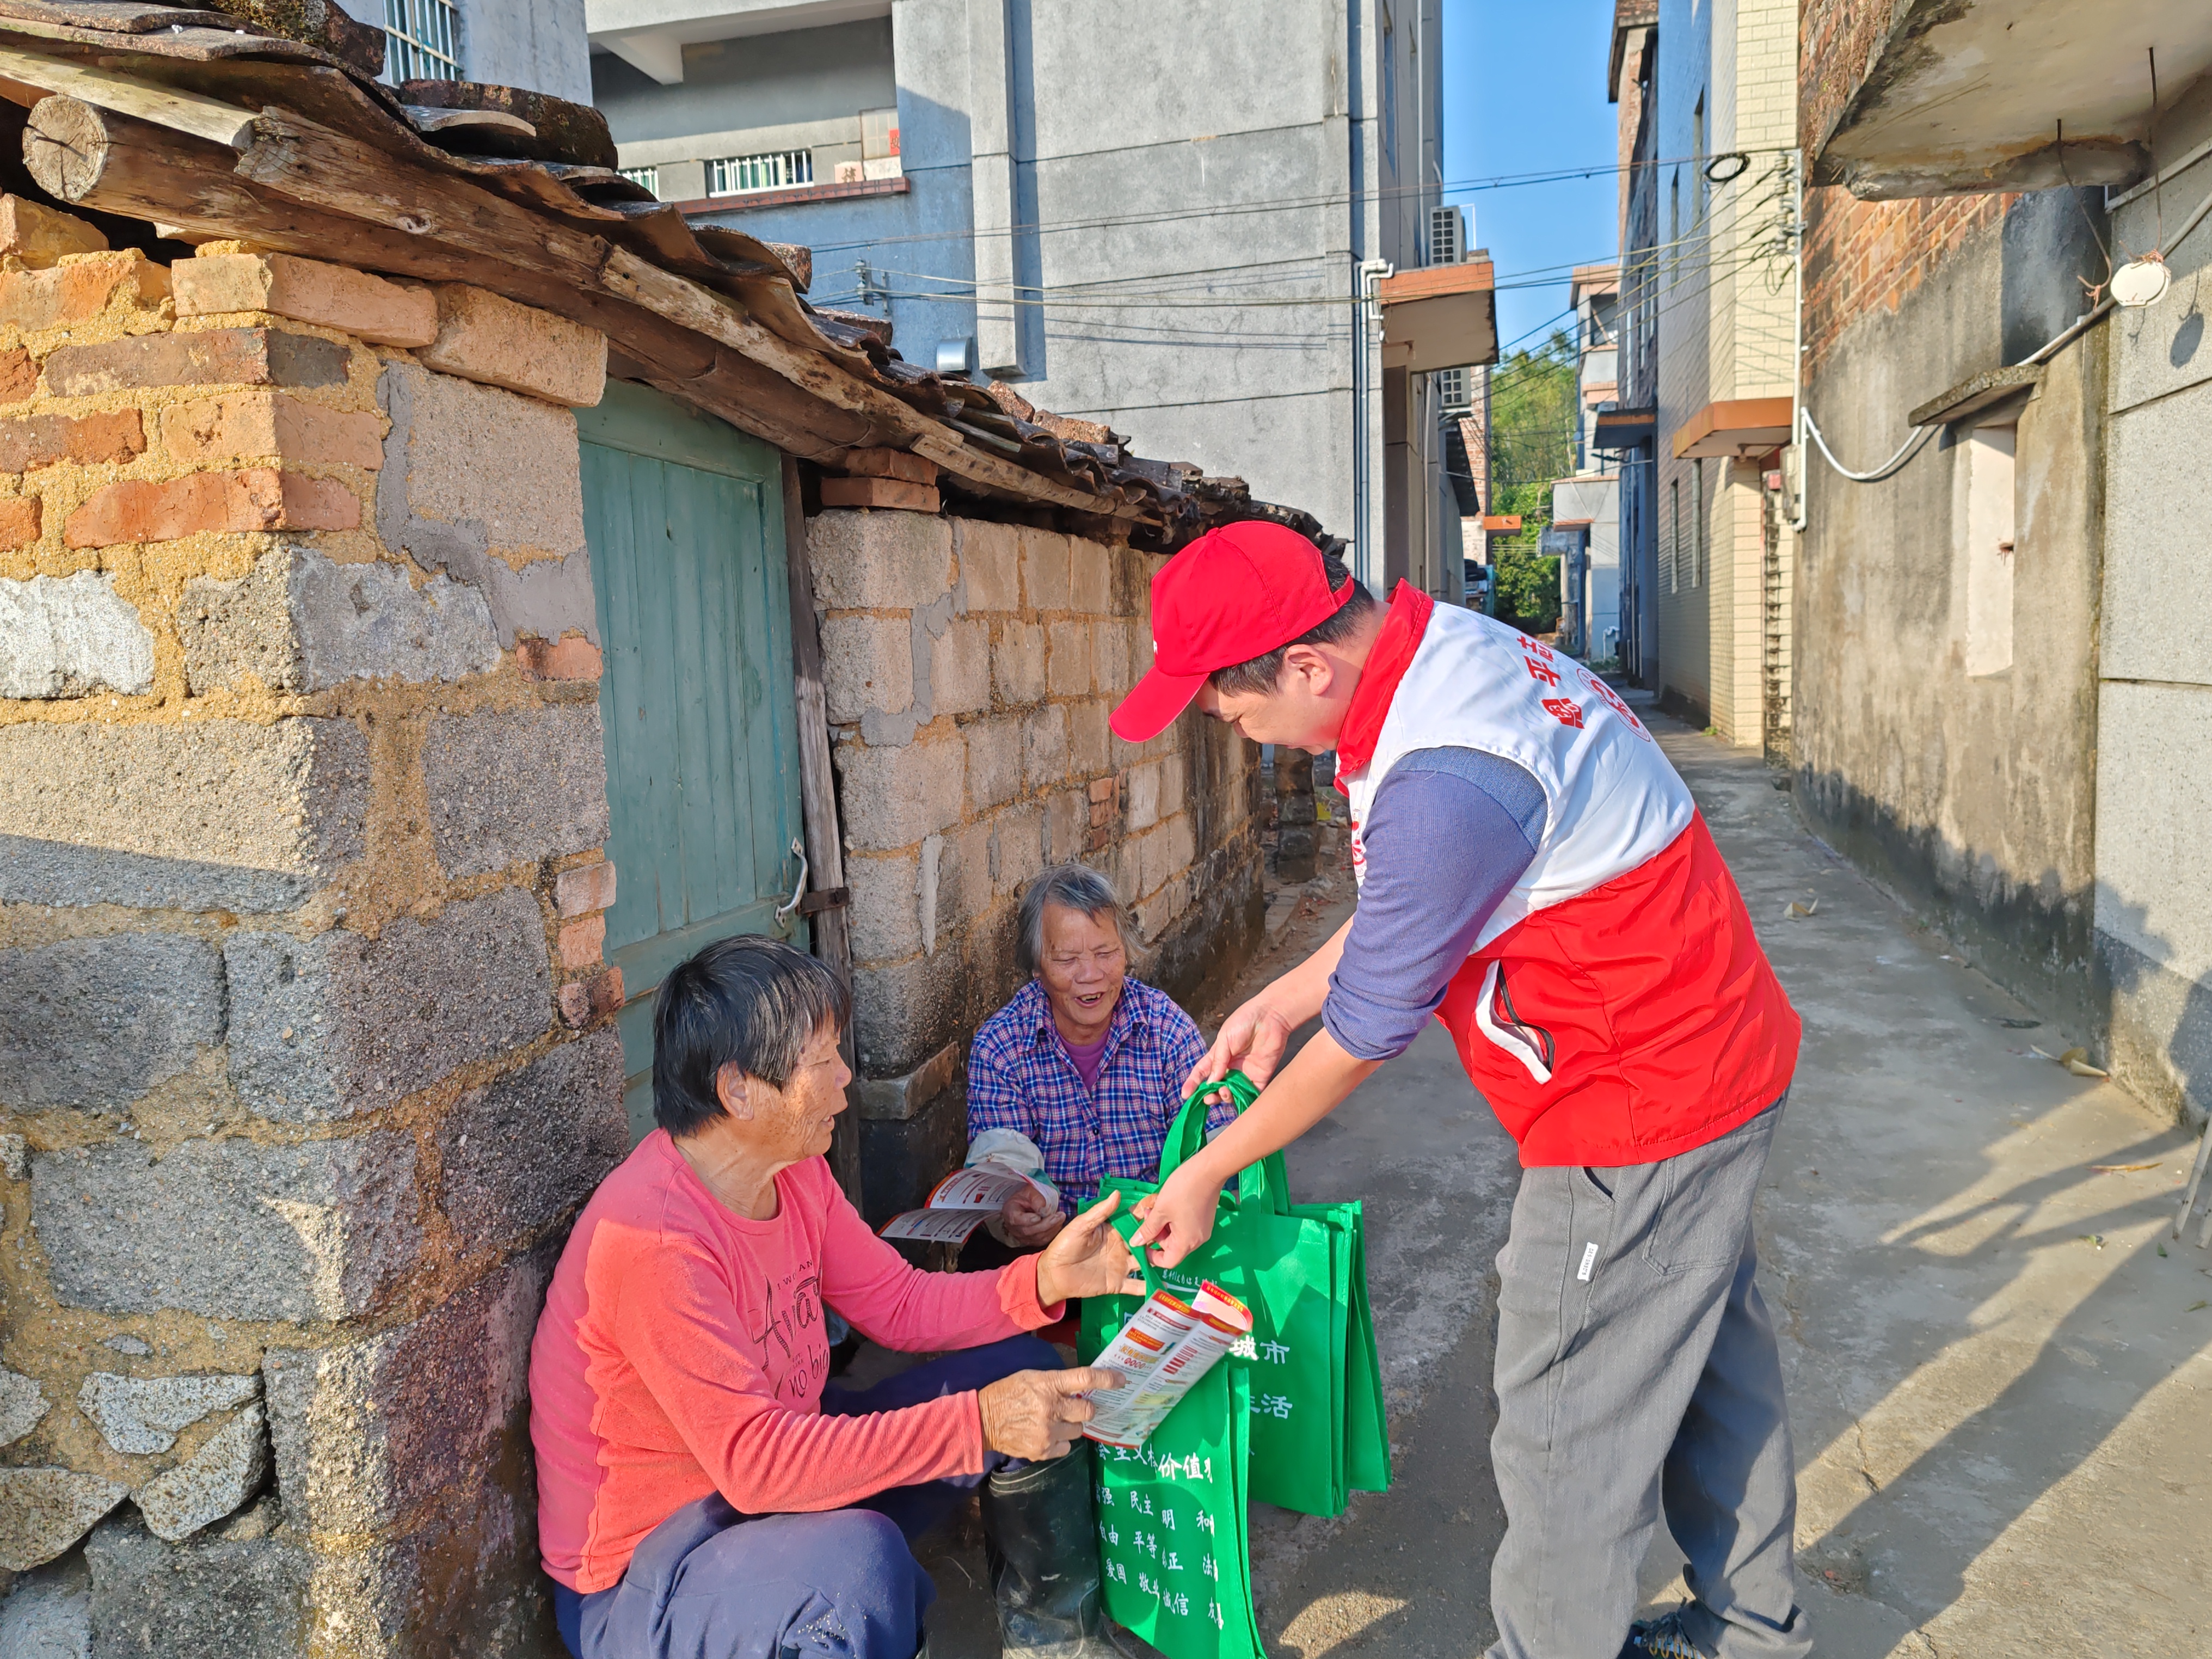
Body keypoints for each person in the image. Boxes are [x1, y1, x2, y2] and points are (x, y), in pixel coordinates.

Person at [1109, 521, 1809, 1659]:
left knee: (1562, 1417)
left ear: (1306, 667)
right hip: (1710, 1051)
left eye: (1225, 702)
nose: (1221, 723)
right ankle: (1755, 1635)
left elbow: (1366, 1036)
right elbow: (1415, 910)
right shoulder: (1439, 656)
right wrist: (1282, 996)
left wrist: (1207, 1170)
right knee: (1708, 1361)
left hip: (1636, 1099)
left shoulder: (1445, 773)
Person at [527, 933, 1140, 1659]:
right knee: (857, 1569)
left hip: (776, 1484)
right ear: (739, 1090)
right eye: (823, 1062)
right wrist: (976, 1424)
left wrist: (1041, 1281)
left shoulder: (792, 1171)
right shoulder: (654, 1239)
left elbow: (897, 1303)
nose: (847, 1080)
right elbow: (757, 1465)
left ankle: (1057, 1643)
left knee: (1023, 1372)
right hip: (657, 1570)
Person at [965, 863, 1230, 1257]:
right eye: (1067, 959)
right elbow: (1004, 1166)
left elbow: (1219, 1139)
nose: (1090, 975)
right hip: (1053, 1255)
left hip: (1157, 1243)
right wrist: (1015, 1213)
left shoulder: (1165, 1029)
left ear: (1126, 952)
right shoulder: (1001, 1046)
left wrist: (1189, 1194)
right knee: (984, 1260)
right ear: (1037, 966)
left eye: (1106, 953)